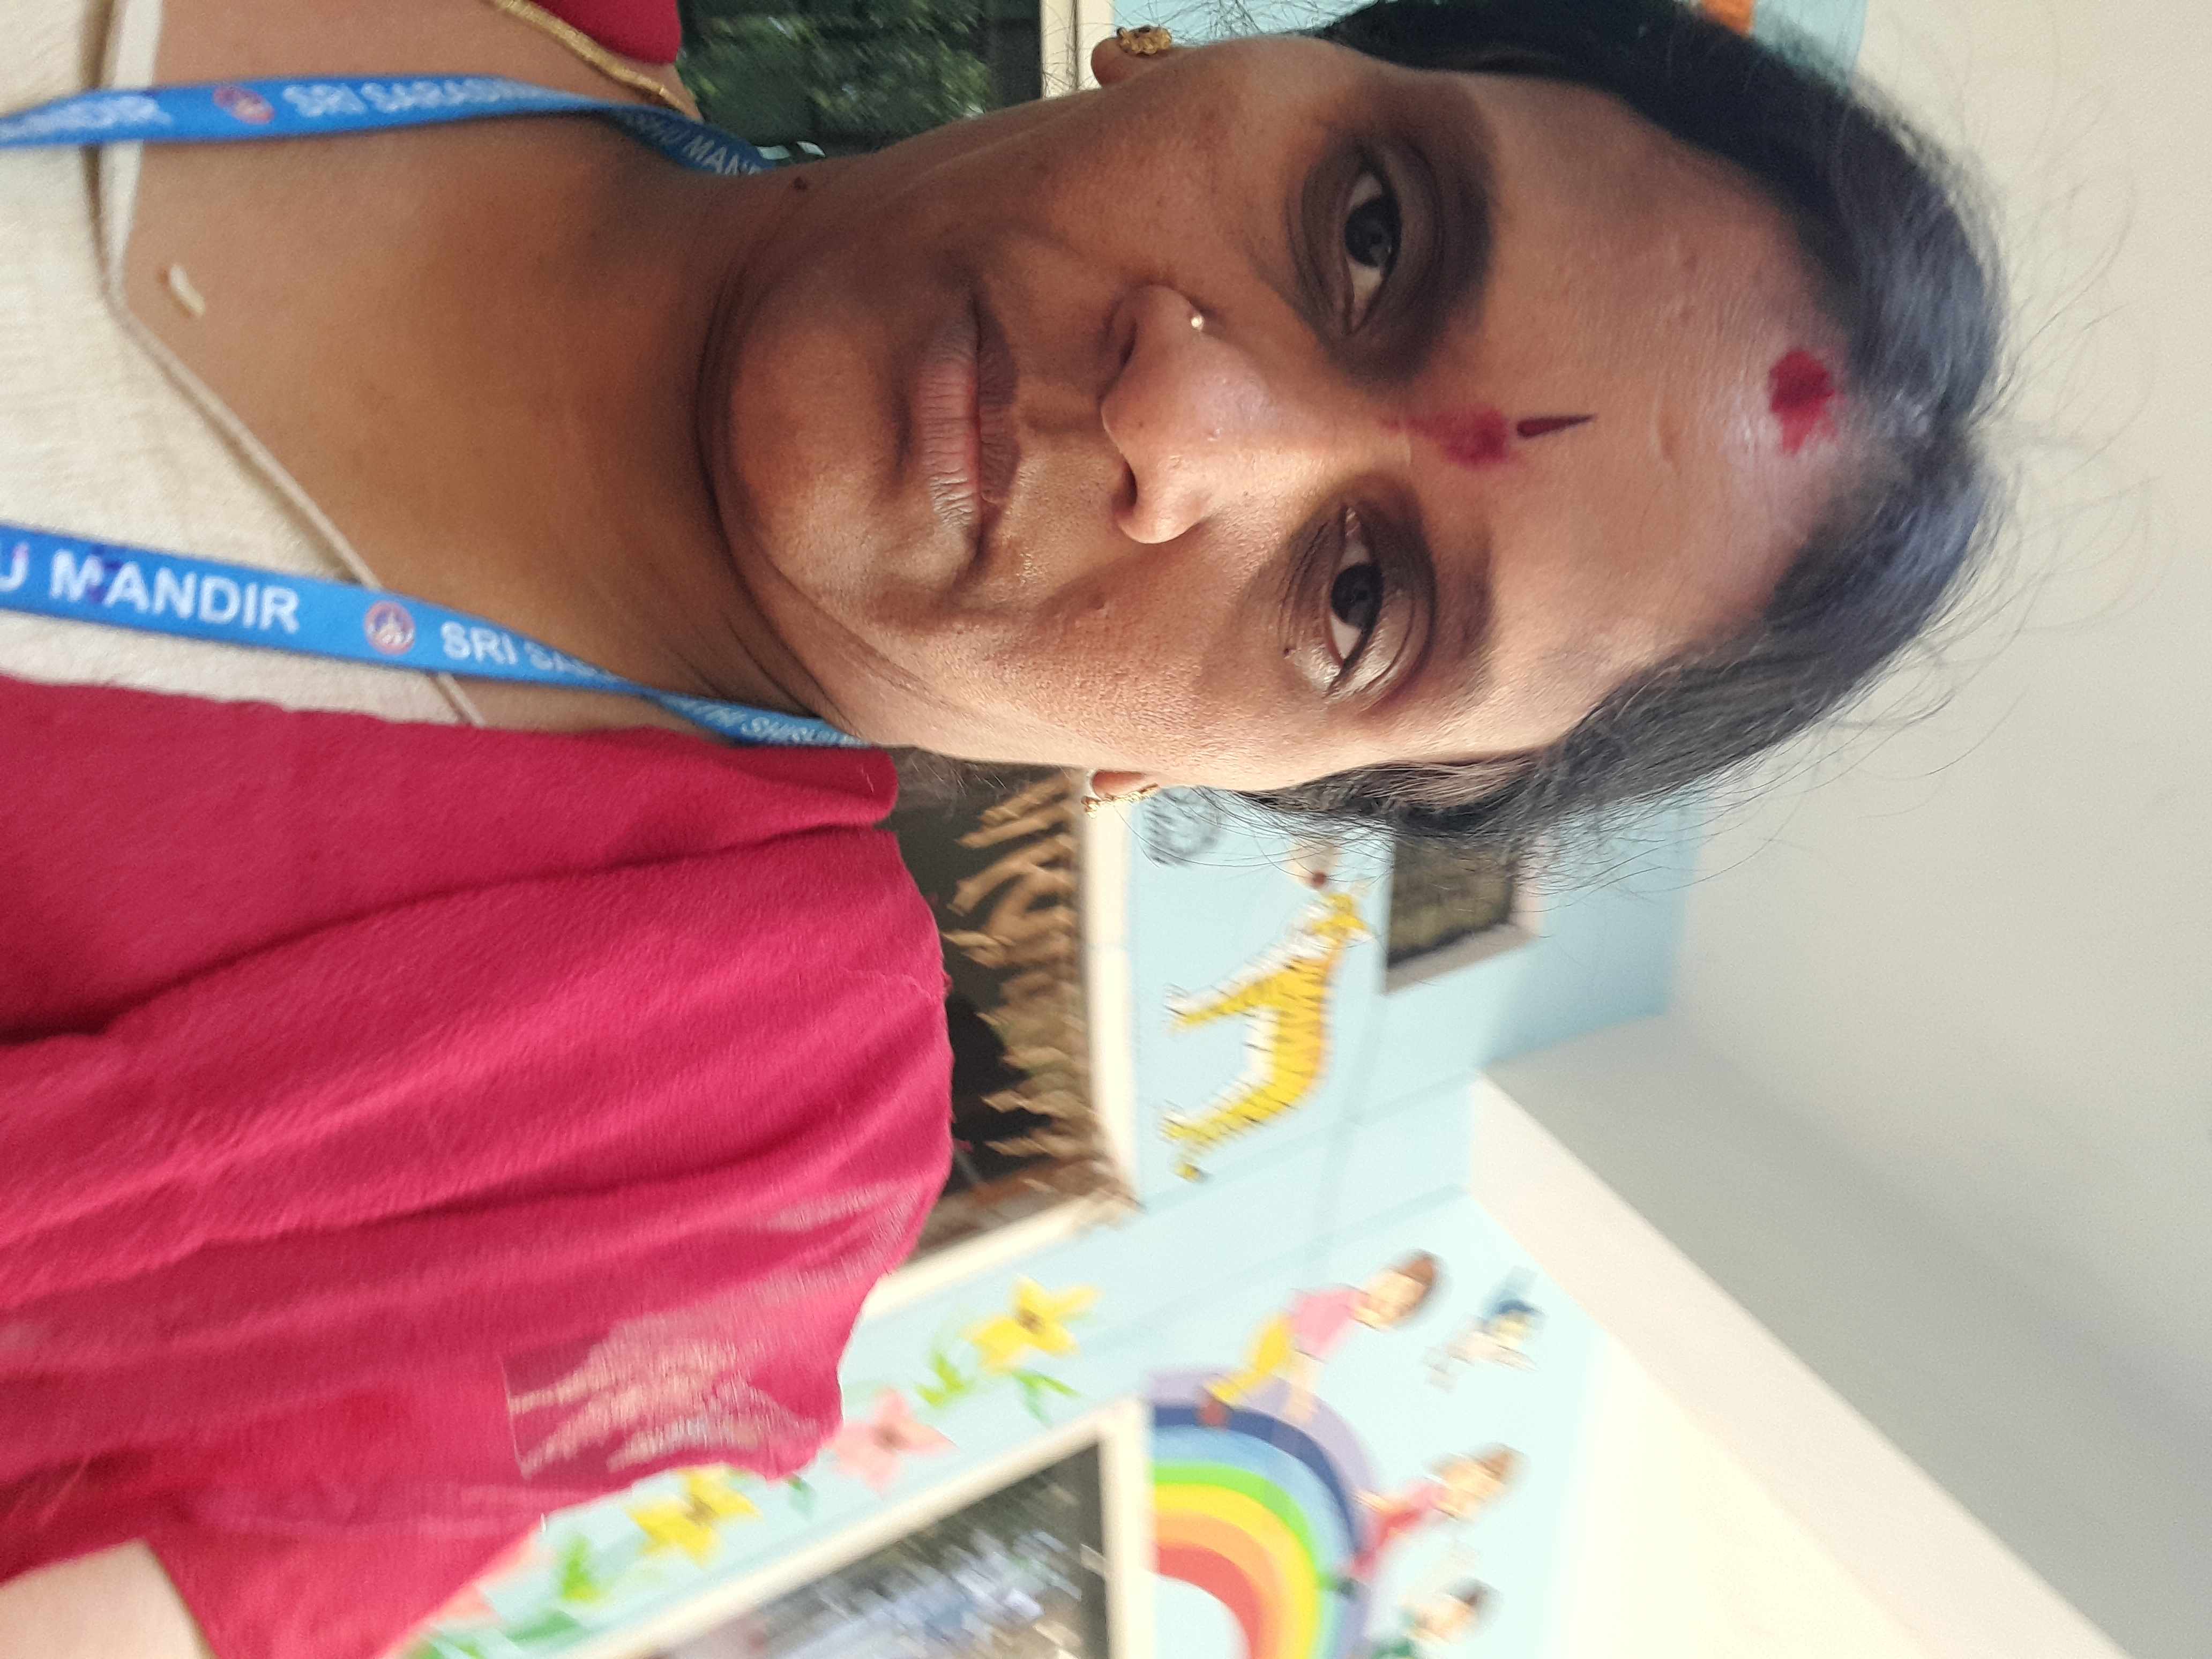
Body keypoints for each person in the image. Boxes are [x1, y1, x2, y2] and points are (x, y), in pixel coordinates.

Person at [0, 0, 2004, 1652]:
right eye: (1370, 233)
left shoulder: (718, 1144)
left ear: (1236, 784)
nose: (1180, 428)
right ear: (1195, 54)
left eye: (1359, 601)